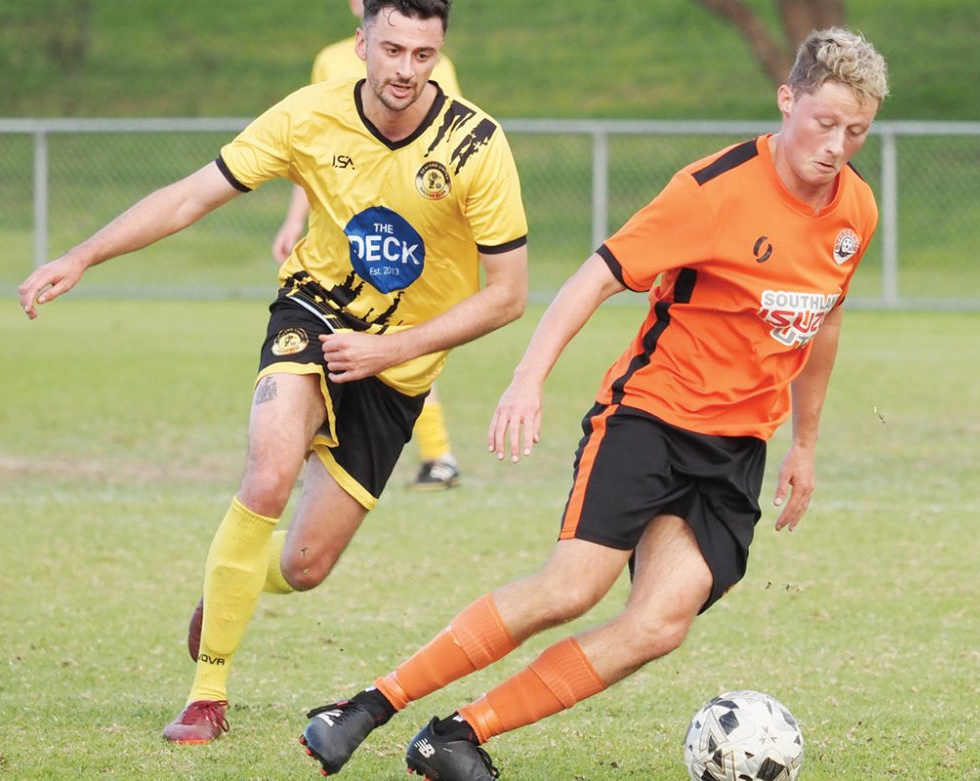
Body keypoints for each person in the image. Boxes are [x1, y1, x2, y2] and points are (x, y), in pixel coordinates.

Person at [297, 26, 888, 780]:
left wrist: (804, 445)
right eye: (824, 122)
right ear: (787, 99)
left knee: (659, 624)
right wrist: (528, 377)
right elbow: (597, 275)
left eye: (857, 131)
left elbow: (824, 319)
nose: (837, 145)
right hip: (651, 418)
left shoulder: (855, 212)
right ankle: (368, 705)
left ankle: (456, 734)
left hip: (737, 448)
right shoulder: (713, 191)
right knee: (571, 586)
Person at [17, 0, 529, 745]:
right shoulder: (308, 114)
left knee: (307, 563)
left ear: (440, 53)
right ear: (362, 43)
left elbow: (508, 295)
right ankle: (206, 694)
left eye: (423, 55)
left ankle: (232, 581)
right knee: (267, 472)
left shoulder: (475, 144)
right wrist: (81, 254)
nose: (405, 70)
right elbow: (193, 195)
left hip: (397, 372)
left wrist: (391, 350)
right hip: (314, 316)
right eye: (391, 49)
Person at [273, 0, 464, 491]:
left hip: (400, 237)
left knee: (402, 346)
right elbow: (308, 148)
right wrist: (294, 220)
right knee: (320, 345)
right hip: (340, 236)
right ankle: (298, 450)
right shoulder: (330, 59)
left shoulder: (431, 62)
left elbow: (448, 142)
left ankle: (439, 454)